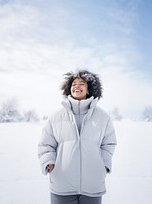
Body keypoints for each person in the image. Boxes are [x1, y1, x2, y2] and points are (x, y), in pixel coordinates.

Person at [38, 69, 117, 204]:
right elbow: (46, 144)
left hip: (92, 185)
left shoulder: (103, 117)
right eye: (74, 84)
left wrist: (103, 166)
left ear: (89, 89)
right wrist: (49, 162)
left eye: (81, 83)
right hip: (62, 184)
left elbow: (108, 143)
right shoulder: (56, 116)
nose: (76, 86)